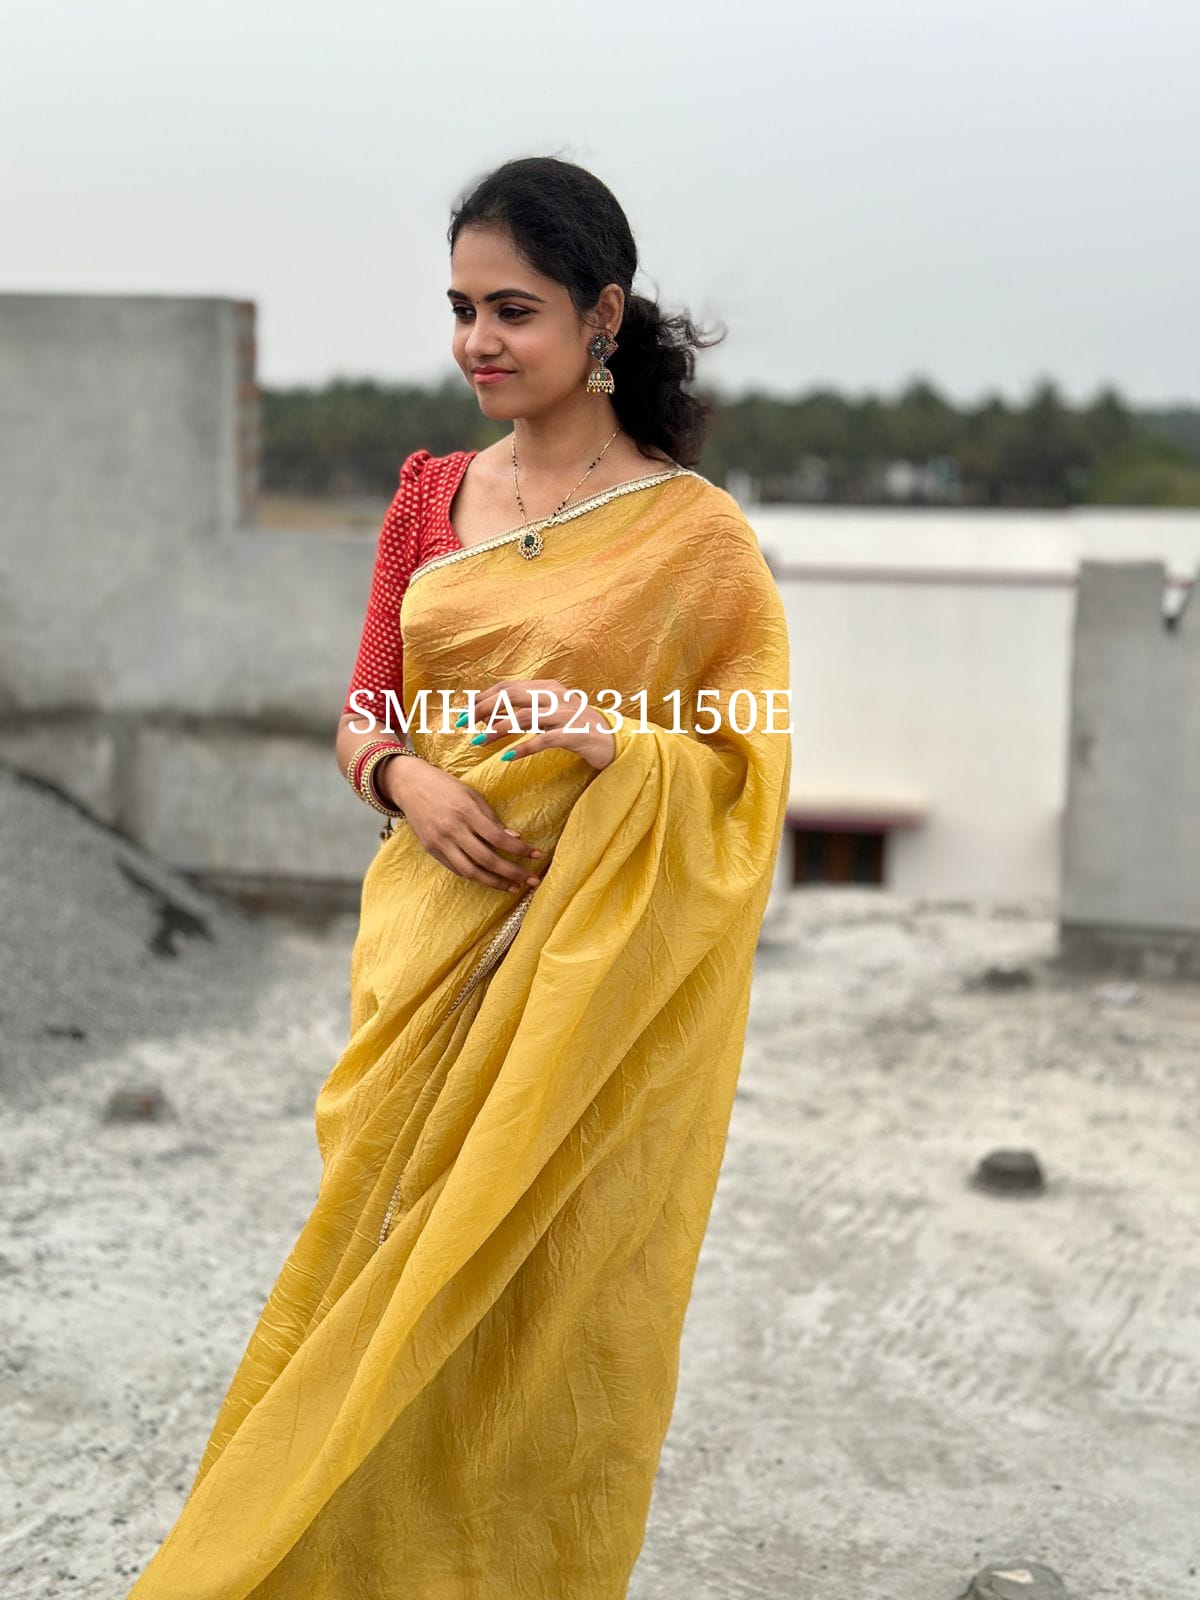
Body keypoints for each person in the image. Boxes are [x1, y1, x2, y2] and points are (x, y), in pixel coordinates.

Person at [126, 155, 791, 1600]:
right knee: (372, 1285)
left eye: (515, 310)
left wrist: (625, 746)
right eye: (460, 309)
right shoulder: (431, 495)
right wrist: (407, 780)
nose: (479, 342)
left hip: (583, 995)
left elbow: (749, 757)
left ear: (602, 317)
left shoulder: (694, 539)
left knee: (553, 1319)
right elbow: (367, 711)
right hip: (429, 957)